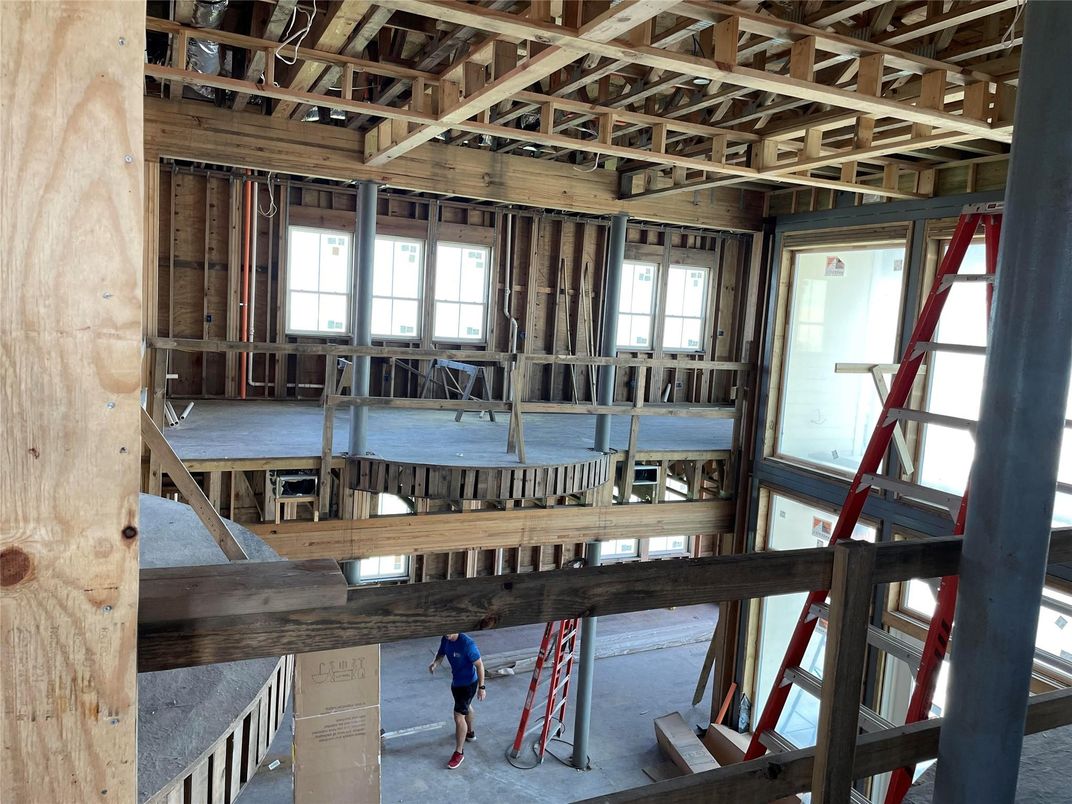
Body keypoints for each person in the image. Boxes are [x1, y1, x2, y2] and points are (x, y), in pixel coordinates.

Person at [428, 632, 486, 769]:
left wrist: (481, 687)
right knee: (467, 707)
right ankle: (470, 733)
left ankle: (459, 752)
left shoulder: (468, 645)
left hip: (468, 684)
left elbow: (480, 665)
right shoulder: (445, 638)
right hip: (456, 683)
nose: (447, 634)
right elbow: (441, 653)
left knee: (459, 716)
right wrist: (435, 663)